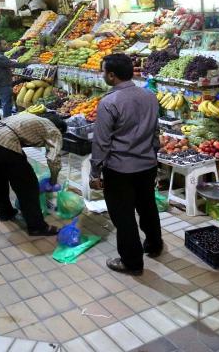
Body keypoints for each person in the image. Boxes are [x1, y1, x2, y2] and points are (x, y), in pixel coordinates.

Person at [89, 53, 162, 275]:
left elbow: (101, 142)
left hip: (120, 169)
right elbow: (155, 132)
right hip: (147, 165)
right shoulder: (150, 95)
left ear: (111, 75)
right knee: (147, 205)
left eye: (103, 71)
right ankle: (154, 245)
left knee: (123, 215)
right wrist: (152, 156)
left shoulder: (109, 102)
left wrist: (95, 172)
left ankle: (132, 262)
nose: (102, 75)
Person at [0, 112, 67, 236]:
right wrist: (53, 179)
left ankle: (5, 212)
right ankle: (37, 227)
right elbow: (53, 159)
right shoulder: (55, 130)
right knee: (28, 186)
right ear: (60, 129)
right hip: (3, 143)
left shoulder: (34, 118)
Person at [0, 38, 24, 122]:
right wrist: (28, 64)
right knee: (7, 104)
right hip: (2, 84)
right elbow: (12, 64)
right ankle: (7, 122)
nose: (6, 46)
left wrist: (17, 49)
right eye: (4, 44)